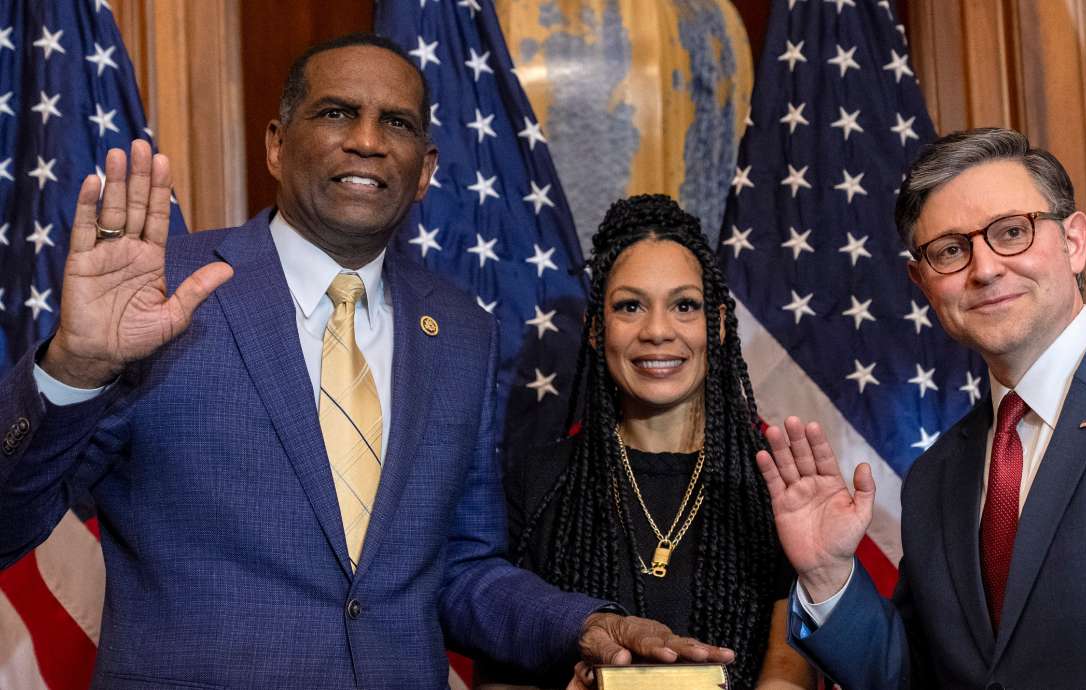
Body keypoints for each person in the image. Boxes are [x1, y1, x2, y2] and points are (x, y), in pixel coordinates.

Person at [0, 33, 733, 688]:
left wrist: (581, 624)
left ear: (423, 170)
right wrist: (73, 368)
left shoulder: (460, 329)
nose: (367, 141)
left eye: (398, 124)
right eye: (335, 113)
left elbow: (460, 570)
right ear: (276, 145)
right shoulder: (163, 291)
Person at [755, 128, 1086, 689]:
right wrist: (829, 574)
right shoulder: (934, 479)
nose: (984, 269)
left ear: (1073, 241)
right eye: (951, 250)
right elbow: (909, 679)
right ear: (923, 281)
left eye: (1011, 232)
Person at [478, 195, 814, 689]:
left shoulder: (773, 482)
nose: (657, 331)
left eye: (684, 305)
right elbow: (498, 667)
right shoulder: (538, 483)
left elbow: (790, 671)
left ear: (717, 325)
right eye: (630, 306)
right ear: (597, 329)